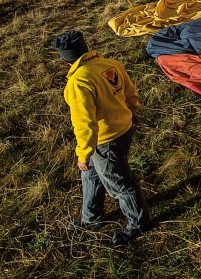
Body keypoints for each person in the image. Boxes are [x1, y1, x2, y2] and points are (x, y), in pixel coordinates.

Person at [53, 30, 153, 245]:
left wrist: (83, 153)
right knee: (91, 174)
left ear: (63, 59)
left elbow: (85, 124)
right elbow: (130, 93)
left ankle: (139, 223)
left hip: (105, 140)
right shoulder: (111, 64)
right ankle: (91, 218)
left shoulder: (78, 82)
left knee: (119, 183)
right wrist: (132, 112)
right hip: (124, 128)